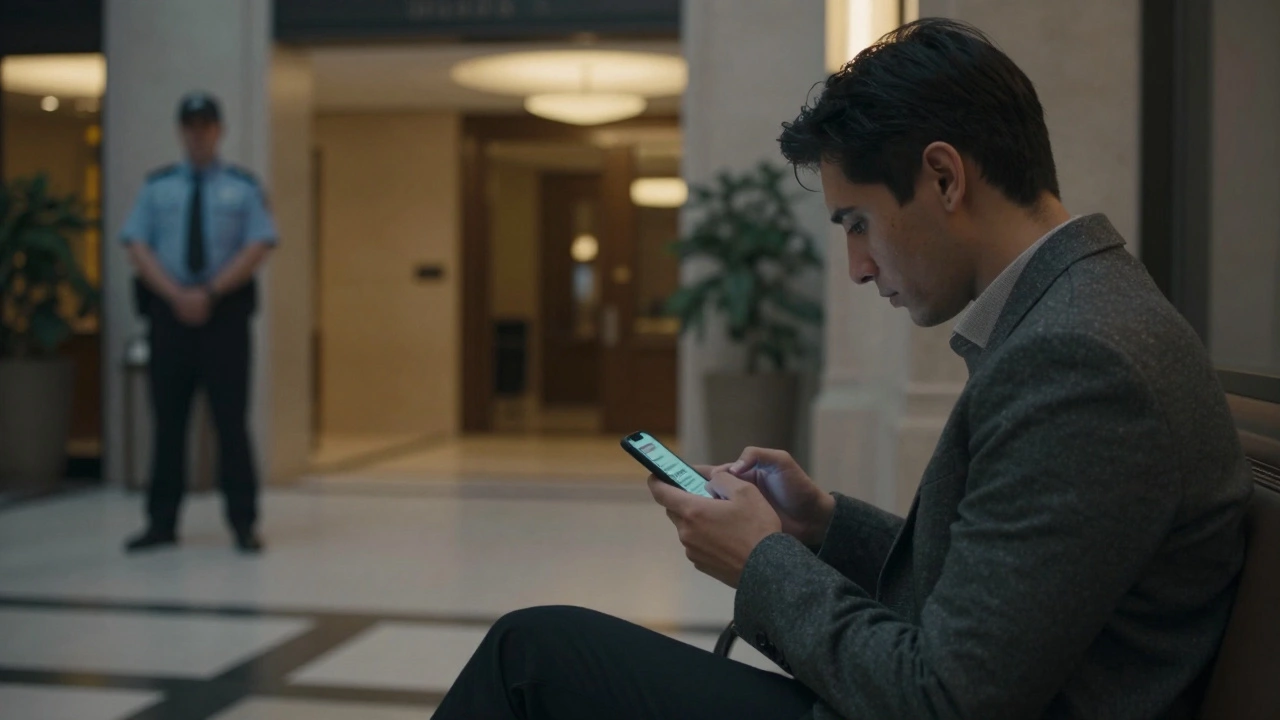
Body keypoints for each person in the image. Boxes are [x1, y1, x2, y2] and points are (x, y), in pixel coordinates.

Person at [432, 18, 1254, 720]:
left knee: (529, 657)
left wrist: (762, 561)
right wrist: (823, 526)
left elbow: (943, 700)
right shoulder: (1080, 312)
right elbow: (1002, 592)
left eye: (858, 222)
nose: (858, 266)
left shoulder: (1081, 361)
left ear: (943, 176)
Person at [121, 91, 277, 555]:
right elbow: (136, 245)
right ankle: (161, 522)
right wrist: (176, 295)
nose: (198, 133)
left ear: (219, 130)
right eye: (191, 125)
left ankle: (243, 523)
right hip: (169, 318)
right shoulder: (157, 187)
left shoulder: (243, 188)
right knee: (168, 424)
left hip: (224, 319)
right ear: (181, 131)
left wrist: (208, 292)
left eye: (206, 125)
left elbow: (259, 245)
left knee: (231, 423)